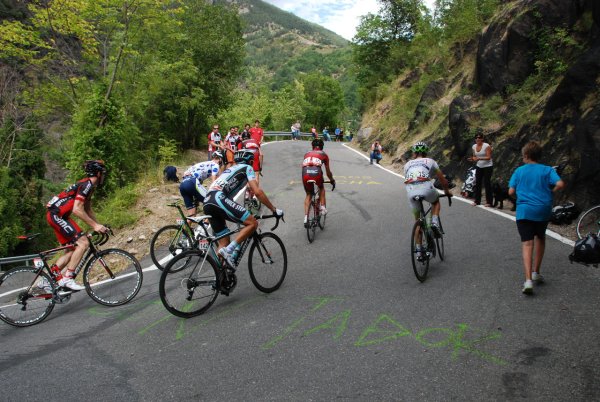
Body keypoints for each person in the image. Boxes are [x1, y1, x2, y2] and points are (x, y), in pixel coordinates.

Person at [203, 149, 283, 268]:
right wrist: (274, 209)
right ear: (250, 161)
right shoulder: (247, 168)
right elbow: (258, 192)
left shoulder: (230, 169)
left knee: (223, 242)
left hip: (208, 201)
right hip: (218, 198)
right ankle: (229, 250)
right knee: (252, 223)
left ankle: (220, 277)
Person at [508, 141, 564, 295]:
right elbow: (560, 183)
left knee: (527, 244)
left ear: (526, 155)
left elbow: (511, 191)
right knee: (540, 238)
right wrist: (551, 192)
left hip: (524, 211)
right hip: (543, 210)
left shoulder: (519, 171)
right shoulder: (547, 170)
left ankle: (528, 281)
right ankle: (536, 272)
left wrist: (520, 195)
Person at [44, 160, 109, 291]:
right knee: (83, 243)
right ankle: (68, 278)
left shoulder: (88, 185)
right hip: (57, 216)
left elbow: (88, 209)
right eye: (103, 173)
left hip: (58, 216)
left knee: (72, 250)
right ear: (98, 173)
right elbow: (77, 209)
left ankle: (47, 282)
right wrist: (95, 226)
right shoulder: (87, 185)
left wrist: (98, 225)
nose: (104, 176)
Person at [403, 142, 452, 260]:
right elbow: (443, 180)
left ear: (414, 153)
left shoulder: (407, 164)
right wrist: (446, 192)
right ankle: (434, 222)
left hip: (410, 191)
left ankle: (419, 252)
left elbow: (409, 177)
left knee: (418, 221)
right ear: (425, 152)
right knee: (435, 202)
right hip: (426, 187)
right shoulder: (430, 161)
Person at [302, 138, 335, 227]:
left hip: (305, 173)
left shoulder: (306, 154)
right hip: (316, 172)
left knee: (309, 194)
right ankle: (323, 207)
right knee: (321, 187)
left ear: (312, 147)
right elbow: (328, 172)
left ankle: (306, 217)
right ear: (322, 147)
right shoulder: (324, 154)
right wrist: (332, 180)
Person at [179, 151, 224, 216]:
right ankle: (206, 223)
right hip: (192, 182)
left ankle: (184, 226)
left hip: (183, 185)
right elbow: (214, 180)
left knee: (192, 214)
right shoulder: (215, 165)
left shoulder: (203, 163)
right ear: (219, 159)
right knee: (210, 201)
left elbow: (185, 174)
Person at [468, 132, 493, 206]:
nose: (477, 139)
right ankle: (477, 201)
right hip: (479, 166)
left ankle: (489, 202)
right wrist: (472, 159)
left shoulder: (486, 146)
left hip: (488, 166)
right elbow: (475, 157)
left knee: (487, 183)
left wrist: (479, 158)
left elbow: (489, 157)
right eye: (476, 137)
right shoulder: (474, 146)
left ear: (482, 138)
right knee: (477, 183)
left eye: (479, 137)